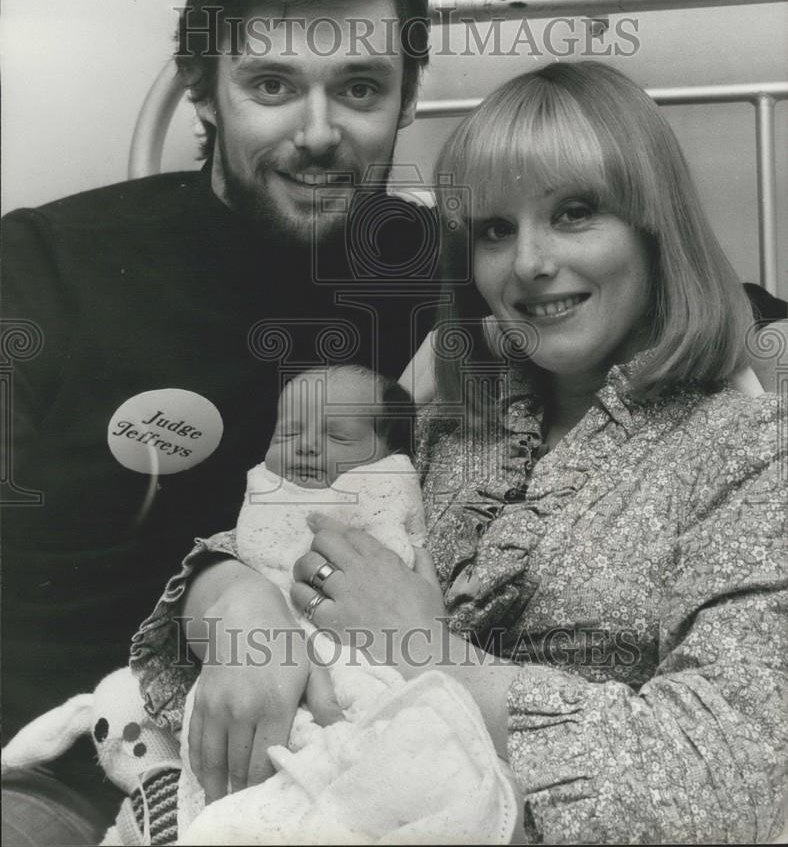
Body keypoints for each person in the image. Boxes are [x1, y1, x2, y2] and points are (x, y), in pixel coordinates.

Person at [133, 61, 786, 843]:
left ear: (655, 228)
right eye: (494, 230)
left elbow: (727, 774)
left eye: (575, 213)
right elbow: (287, 535)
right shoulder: (450, 422)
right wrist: (239, 605)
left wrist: (425, 651)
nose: (530, 263)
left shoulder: (749, 454)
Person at [1, 0, 441, 845]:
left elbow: (681, 303)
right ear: (203, 87)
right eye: (272, 84)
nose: (320, 131)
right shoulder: (45, 266)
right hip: (55, 761)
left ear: (407, 98)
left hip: (315, 771)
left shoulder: (425, 266)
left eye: (360, 87)